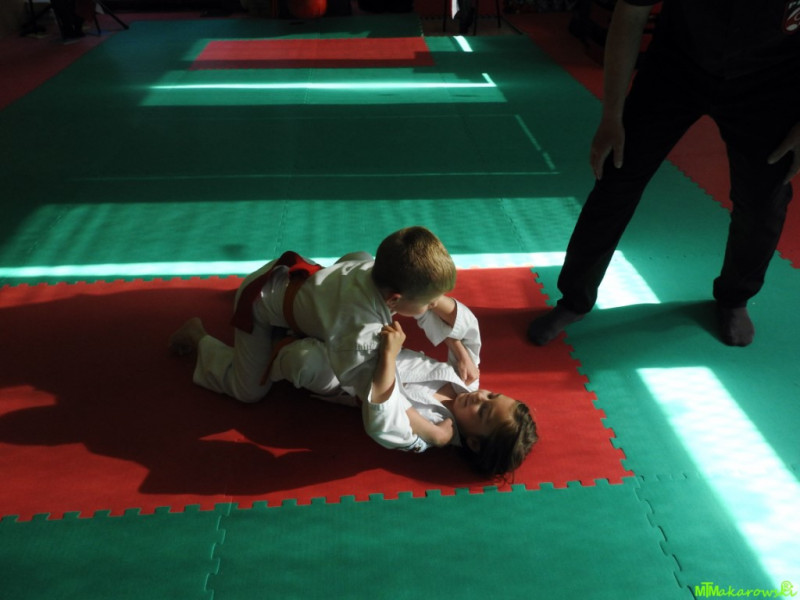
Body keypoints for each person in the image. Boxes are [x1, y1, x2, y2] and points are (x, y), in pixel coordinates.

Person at [527, 0, 800, 347]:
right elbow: (630, 15)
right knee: (617, 174)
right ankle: (574, 300)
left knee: (765, 200)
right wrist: (612, 116)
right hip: (677, 65)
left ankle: (735, 297)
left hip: (771, 80)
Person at [170, 226, 457, 406]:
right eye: (430, 303)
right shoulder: (359, 327)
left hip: (296, 277)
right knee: (248, 392)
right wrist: (389, 357)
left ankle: (293, 327)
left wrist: (456, 344)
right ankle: (198, 337)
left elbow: (421, 299)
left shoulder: (378, 271)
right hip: (258, 301)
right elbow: (370, 393)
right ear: (395, 299)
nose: (435, 305)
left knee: (359, 256)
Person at [261, 292, 538, 476]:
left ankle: (278, 343)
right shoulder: (467, 379)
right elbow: (467, 327)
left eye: (484, 412)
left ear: (474, 443)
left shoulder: (429, 436)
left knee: (303, 361)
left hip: (343, 377)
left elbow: (380, 422)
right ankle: (296, 306)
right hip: (372, 337)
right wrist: (430, 299)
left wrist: (388, 356)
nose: (481, 397)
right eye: (492, 395)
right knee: (368, 269)